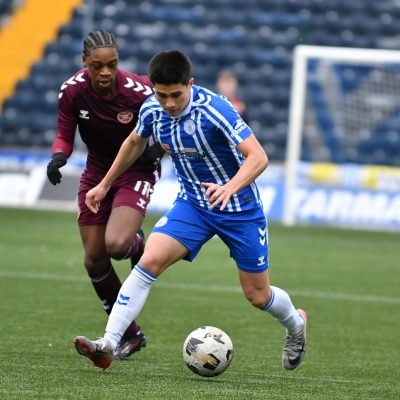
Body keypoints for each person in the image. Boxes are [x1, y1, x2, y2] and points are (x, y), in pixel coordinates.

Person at [73, 50, 307, 371]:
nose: (169, 103)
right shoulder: (152, 109)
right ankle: (109, 343)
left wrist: (229, 187)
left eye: (176, 95)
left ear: (190, 84)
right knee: (149, 261)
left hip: (239, 209)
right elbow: (134, 143)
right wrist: (104, 184)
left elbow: (258, 157)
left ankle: (296, 325)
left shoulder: (215, 109)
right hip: (193, 205)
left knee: (257, 295)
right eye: (162, 95)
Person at [46, 30, 164, 360]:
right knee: (94, 258)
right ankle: (131, 334)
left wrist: (156, 150)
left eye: (112, 64)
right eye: (97, 65)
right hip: (97, 172)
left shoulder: (139, 90)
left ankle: (139, 244)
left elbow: (167, 124)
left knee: (116, 245)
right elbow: (64, 135)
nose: (106, 72)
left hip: (136, 170)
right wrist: (58, 157)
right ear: (85, 62)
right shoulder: (72, 91)